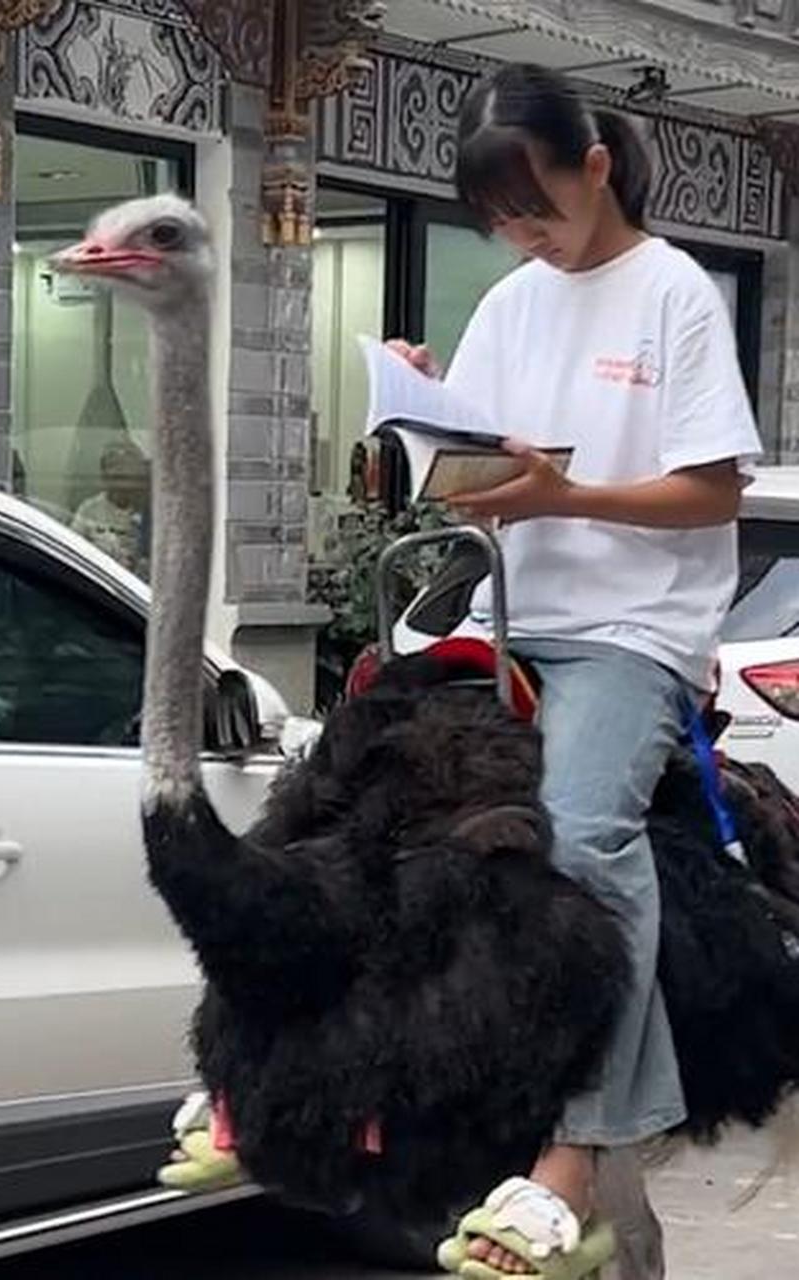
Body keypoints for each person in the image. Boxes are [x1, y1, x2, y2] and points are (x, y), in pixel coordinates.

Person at [386, 63, 758, 1280]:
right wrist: (423, 418)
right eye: (499, 220)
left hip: (629, 627)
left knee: (583, 833)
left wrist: (565, 491)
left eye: (534, 208)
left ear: (594, 168)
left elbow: (711, 488)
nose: (521, 236)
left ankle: (577, 1146)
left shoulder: (675, 298)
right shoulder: (508, 304)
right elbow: (484, 481)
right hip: (507, 609)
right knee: (350, 806)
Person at [71, 439, 151, 576]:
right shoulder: (89, 509)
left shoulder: (148, 512)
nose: (121, 484)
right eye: (115, 476)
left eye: (126, 476)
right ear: (104, 476)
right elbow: (72, 552)